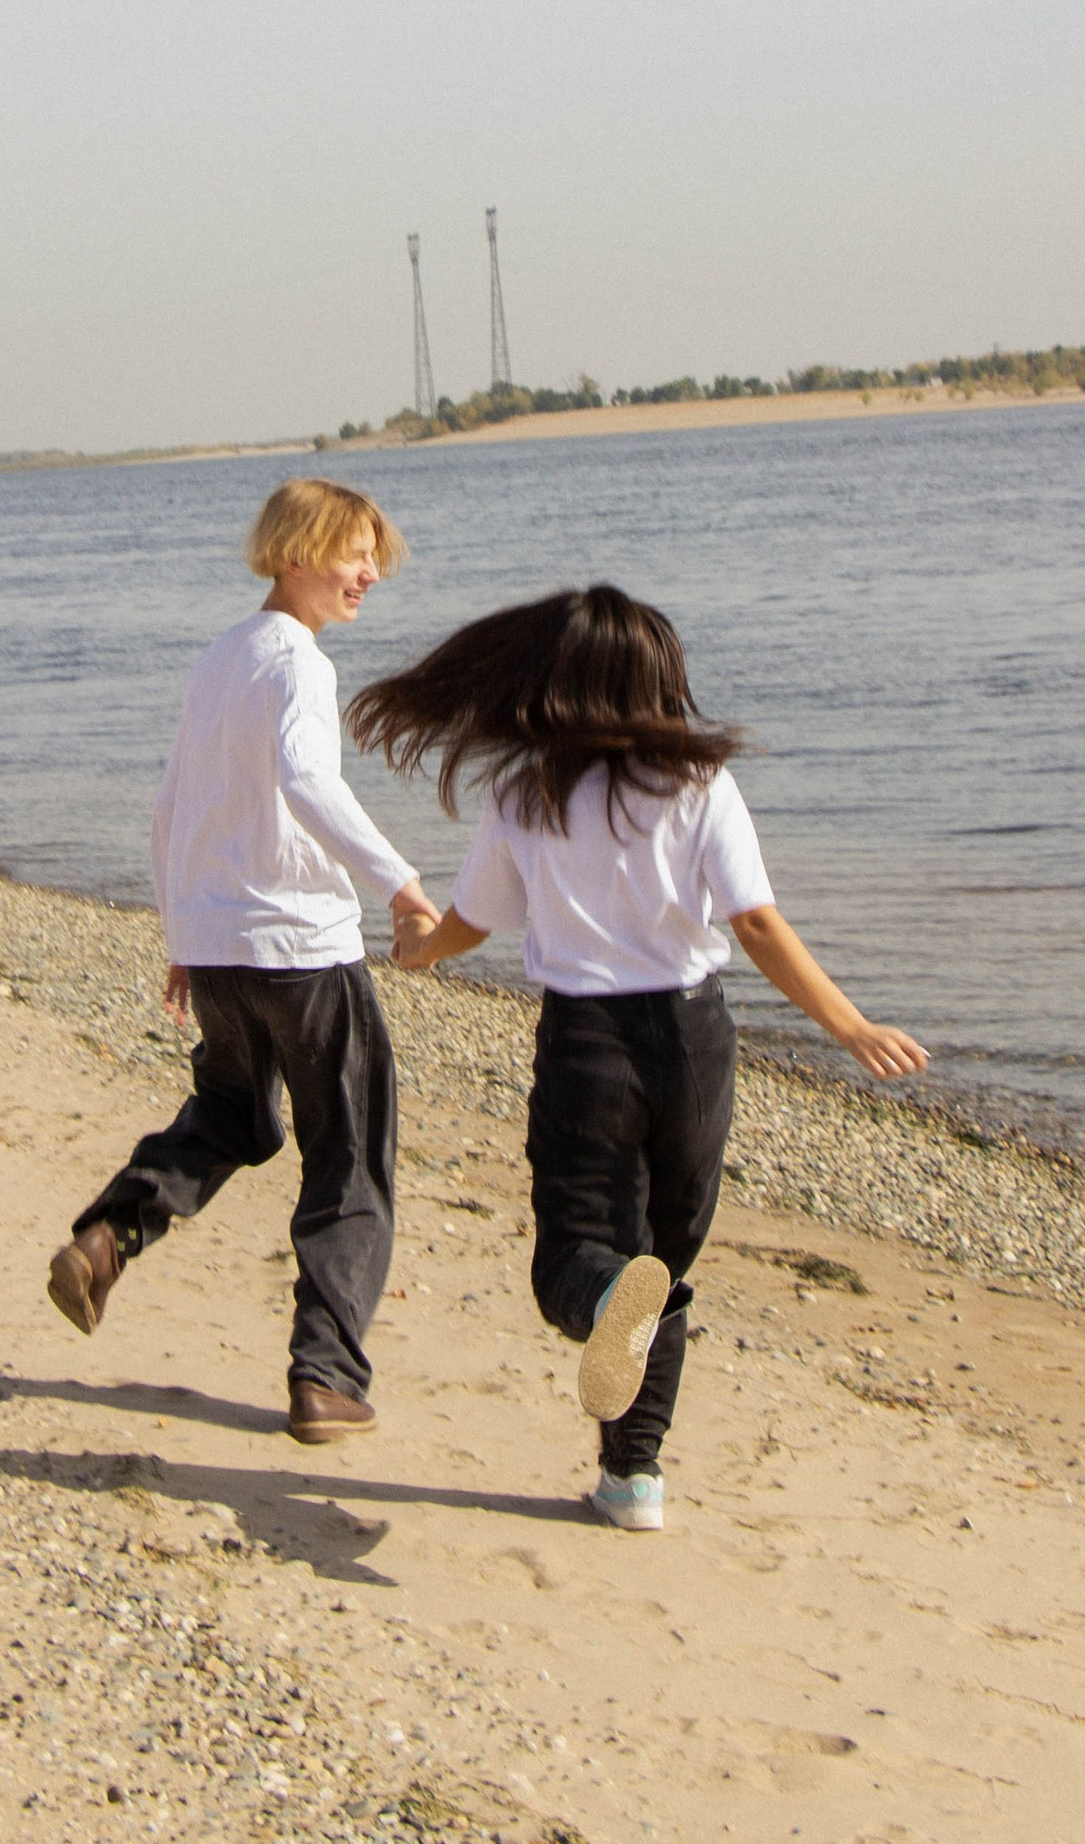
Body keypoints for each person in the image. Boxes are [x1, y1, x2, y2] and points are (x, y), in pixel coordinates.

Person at [352, 584, 925, 1531]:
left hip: (587, 1043)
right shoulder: (701, 784)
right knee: (664, 1263)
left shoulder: (526, 792)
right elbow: (754, 923)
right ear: (658, 680)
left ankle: (618, 1346)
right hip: (695, 1041)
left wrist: (417, 951)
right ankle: (634, 1479)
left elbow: (473, 923)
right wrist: (849, 1025)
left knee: (581, 1262)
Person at [46, 479, 439, 1444]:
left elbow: (171, 808)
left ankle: (108, 1237)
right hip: (302, 949)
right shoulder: (298, 664)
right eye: (355, 553)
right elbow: (306, 780)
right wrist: (401, 883)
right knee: (349, 1156)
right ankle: (326, 1377)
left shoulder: (220, 658)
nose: (371, 572)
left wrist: (186, 936)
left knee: (232, 1117)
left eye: (375, 555)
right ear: (296, 554)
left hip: (221, 950)